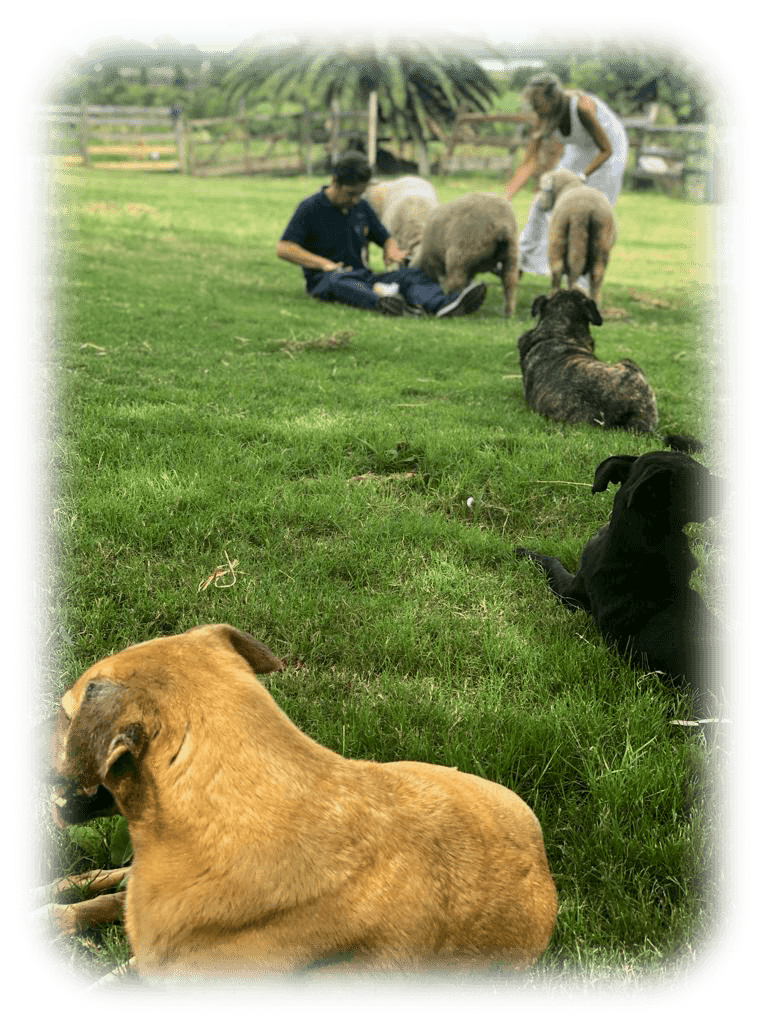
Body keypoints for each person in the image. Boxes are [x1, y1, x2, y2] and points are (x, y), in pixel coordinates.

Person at [277, 152, 486, 317]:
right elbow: (284, 248)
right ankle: (384, 303)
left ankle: (443, 305)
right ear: (335, 181)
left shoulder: (361, 207)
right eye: (351, 194)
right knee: (339, 283)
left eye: (360, 194)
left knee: (413, 274)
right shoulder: (310, 208)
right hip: (328, 278)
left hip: (362, 275)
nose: (355, 200)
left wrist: (391, 249)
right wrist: (323, 264)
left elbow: (385, 237)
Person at [506, 73, 628, 281]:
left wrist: (581, 177)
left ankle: (581, 282)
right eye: (532, 105)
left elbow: (606, 150)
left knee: (586, 215)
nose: (534, 109)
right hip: (579, 151)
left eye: (537, 104)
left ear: (553, 99)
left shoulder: (582, 108)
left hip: (608, 151)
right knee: (543, 201)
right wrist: (505, 198)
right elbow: (529, 162)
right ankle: (522, 262)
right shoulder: (542, 117)